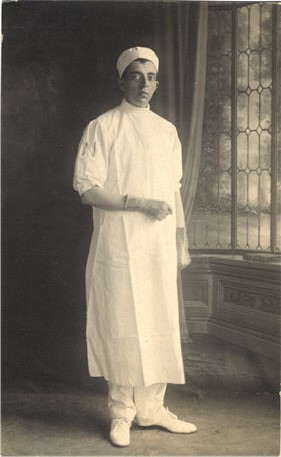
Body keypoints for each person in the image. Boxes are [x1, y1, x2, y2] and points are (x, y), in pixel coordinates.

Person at [73, 46, 197, 447]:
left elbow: (174, 192)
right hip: (120, 244)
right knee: (123, 323)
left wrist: (180, 238)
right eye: (136, 76)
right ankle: (122, 413)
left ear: (158, 82)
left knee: (159, 321)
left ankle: (152, 409)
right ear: (122, 80)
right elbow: (88, 190)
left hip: (157, 245)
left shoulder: (167, 132)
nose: (145, 84)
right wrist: (137, 202)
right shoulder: (103, 127)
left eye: (152, 77)